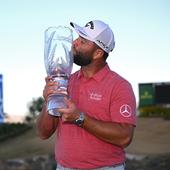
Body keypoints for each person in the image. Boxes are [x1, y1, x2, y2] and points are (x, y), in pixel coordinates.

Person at [37, 20, 136, 170]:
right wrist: (48, 101)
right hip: (63, 167)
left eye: (83, 41)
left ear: (98, 53)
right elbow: (43, 133)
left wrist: (80, 118)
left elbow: (124, 137)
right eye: (77, 38)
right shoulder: (66, 81)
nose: (75, 42)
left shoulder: (119, 86)